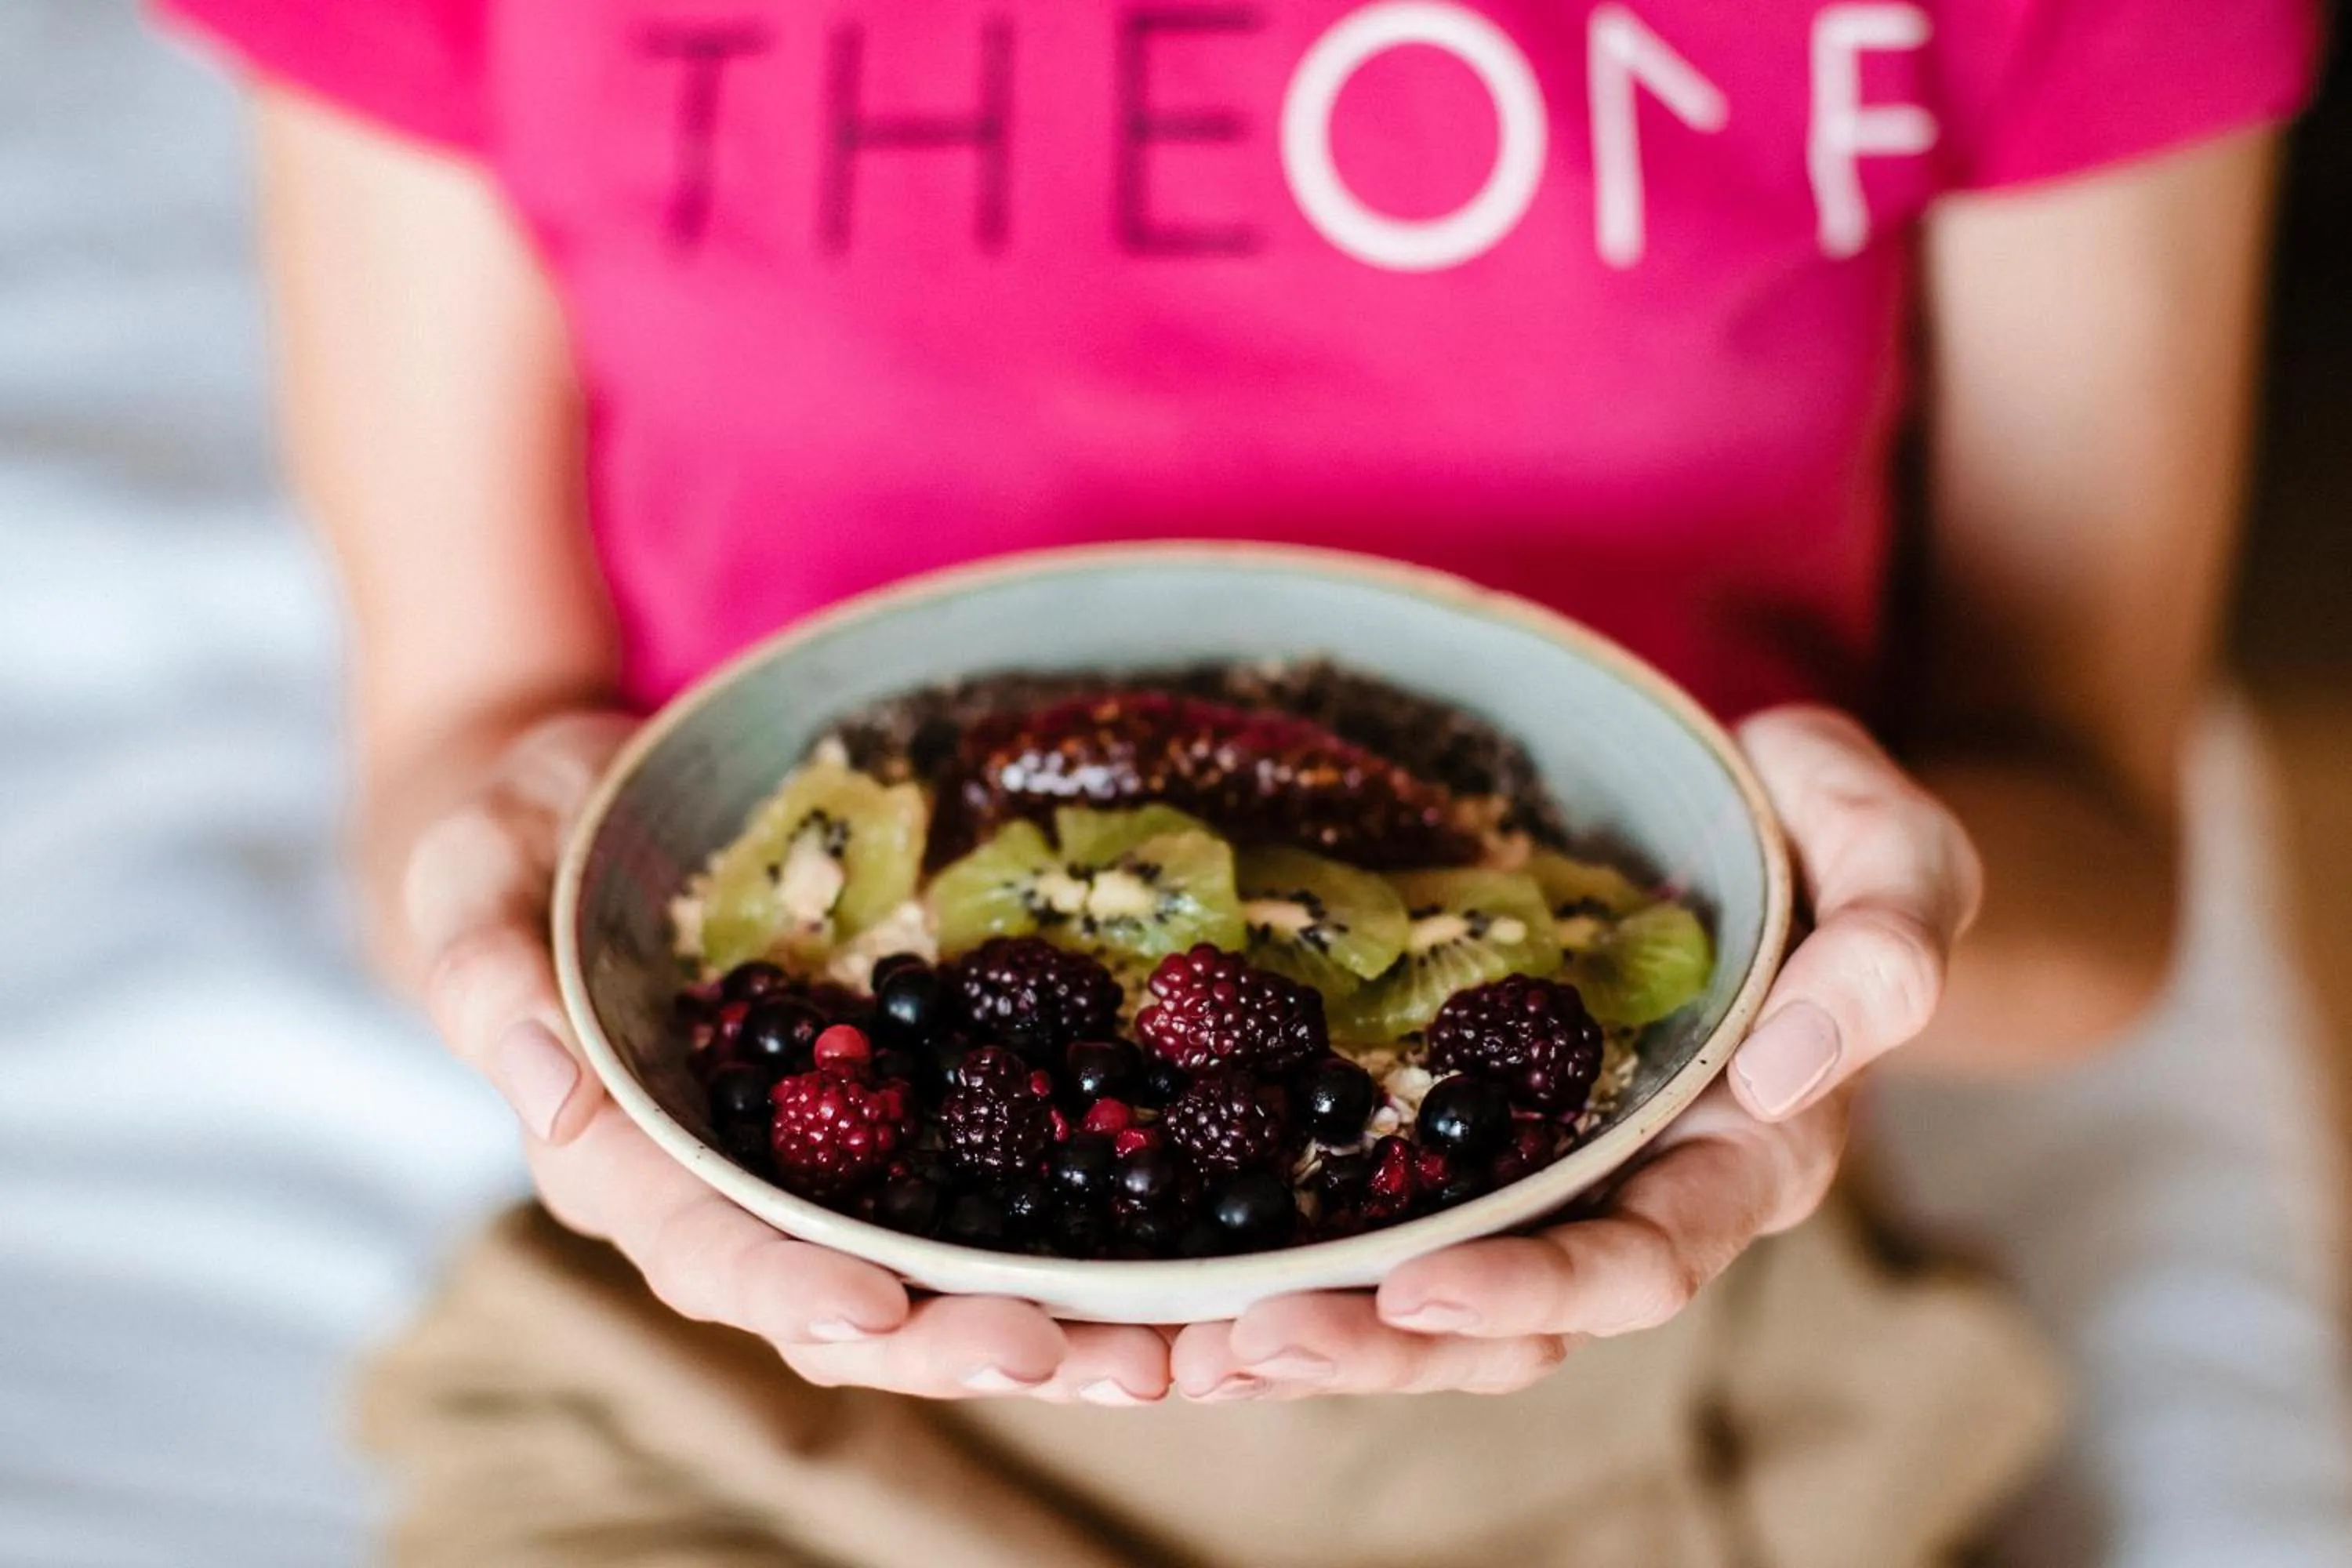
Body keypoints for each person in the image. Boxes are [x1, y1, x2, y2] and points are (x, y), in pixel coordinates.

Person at [157, 0, 2321, 1561]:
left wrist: (1838, 923)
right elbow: (459, 760)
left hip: (1682, 1417)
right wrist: (516, 885)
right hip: (715, 1420)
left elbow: (2092, 857)